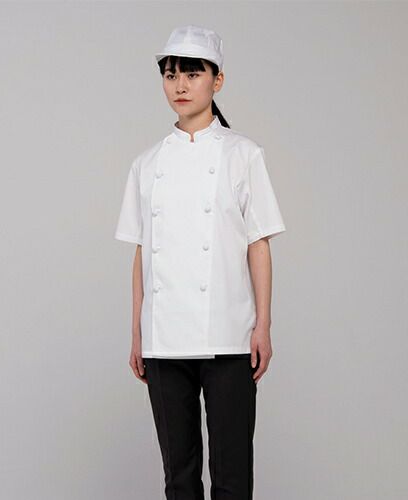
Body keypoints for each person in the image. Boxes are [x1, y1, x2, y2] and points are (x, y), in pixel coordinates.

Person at [114, 24, 286, 500]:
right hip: (164, 339)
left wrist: (263, 325)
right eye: (171, 75)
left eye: (192, 74)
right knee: (179, 478)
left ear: (217, 80)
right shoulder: (146, 164)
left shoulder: (243, 154)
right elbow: (142, 252)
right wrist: (138, 331)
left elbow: (258, 244)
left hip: (230, 335)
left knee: (233, 477)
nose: (180, 85)